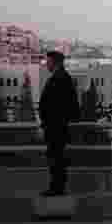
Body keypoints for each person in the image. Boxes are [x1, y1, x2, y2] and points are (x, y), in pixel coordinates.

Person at [39, 50, 80, 197]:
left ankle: (56, 188)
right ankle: (56, 187)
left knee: (56, 160)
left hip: (56, 127)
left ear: (55, 62)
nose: (46, 64)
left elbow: (65, 105)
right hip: (56, 126)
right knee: (56, 159)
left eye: (48, 62)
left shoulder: (60, 78)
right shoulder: (61, 77)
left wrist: (53, 121)